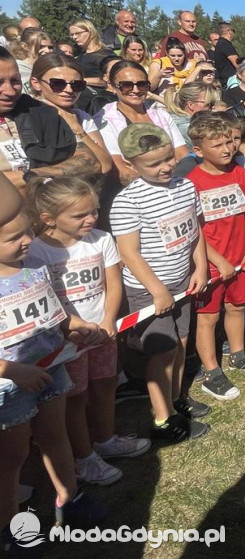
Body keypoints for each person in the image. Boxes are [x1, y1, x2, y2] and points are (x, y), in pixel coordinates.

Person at [0, 178, 108, 538]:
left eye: (26, 232)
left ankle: (69, 497)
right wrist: (13, 370)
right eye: (12, 239)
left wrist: (72, 326)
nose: (26, 241)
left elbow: (53, 310)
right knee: (12, 457)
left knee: (55, 435)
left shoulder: (34, 265)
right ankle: (9, 527)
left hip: (52, 368)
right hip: (10, 385)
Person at [25, 177, 150, 487]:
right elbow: (46, 298)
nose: (90, 219)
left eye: (93, 211)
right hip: (67, 342)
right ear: (48, 218)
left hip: (104, 333)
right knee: (76, 399)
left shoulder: (102, 239)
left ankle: (106, 439)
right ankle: (84, 457)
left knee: (105, 385)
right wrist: (72, 330)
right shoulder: (37, 253)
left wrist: (108, 320)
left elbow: (113, 283)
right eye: (79, 215)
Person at [109, 124, 211, 442]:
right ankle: (162, 418)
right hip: (149, 290)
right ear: (130, 164)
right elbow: (129, 253)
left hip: (182, 280)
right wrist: (156, 290)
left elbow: (196, 230)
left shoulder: (185, 186)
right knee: (161, 352)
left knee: (179, 344)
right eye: (154, 164)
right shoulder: (127, 202)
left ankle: (176, 397)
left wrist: (201, 267)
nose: (166, 166)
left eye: (168, 158)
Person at [186, 114, 245, 401]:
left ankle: (238, 354)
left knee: (237, 307)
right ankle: (211, 372)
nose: (227, 149)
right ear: (198, 151)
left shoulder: (240, 172)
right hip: (212, 264)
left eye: (229, 142)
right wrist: (217, 261)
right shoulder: (191, 182)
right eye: (217, 145)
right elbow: (193, 228)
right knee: (208, 317)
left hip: (241, 258)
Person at [0, 47, 104, 191]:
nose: (10, 91)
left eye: (15, 81)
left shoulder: (40, 111)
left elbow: (90, 162)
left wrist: (29, 176)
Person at [96, 60, 189, 185]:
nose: (136, 90)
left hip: (174, 181)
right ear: (113, 87)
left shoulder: (161, 114)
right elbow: (121, 169)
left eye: (141, 84)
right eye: (126, 85)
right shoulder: (104, 120)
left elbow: (182, 155)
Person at [28, 53, 113, 178]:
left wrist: (77, 128)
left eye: (77, 85)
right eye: (58, 84)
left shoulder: (81, 117)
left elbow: (105, 165)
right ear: (36, 83)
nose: (69, 90)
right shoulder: (26, 115)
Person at [70, 20, 116, 91]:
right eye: (72, 35)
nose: (74, 37)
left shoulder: (106, 55)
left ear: (90, 32)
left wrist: (81, 81)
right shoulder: (80, 55)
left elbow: (113, 79)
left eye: (78, 33)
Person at [212, 22, 241, 86]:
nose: (234, 33)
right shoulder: (225, 44)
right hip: (230, 82)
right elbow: (238, 64)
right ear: (229, 31)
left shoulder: (220, 44)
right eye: (233, 30)